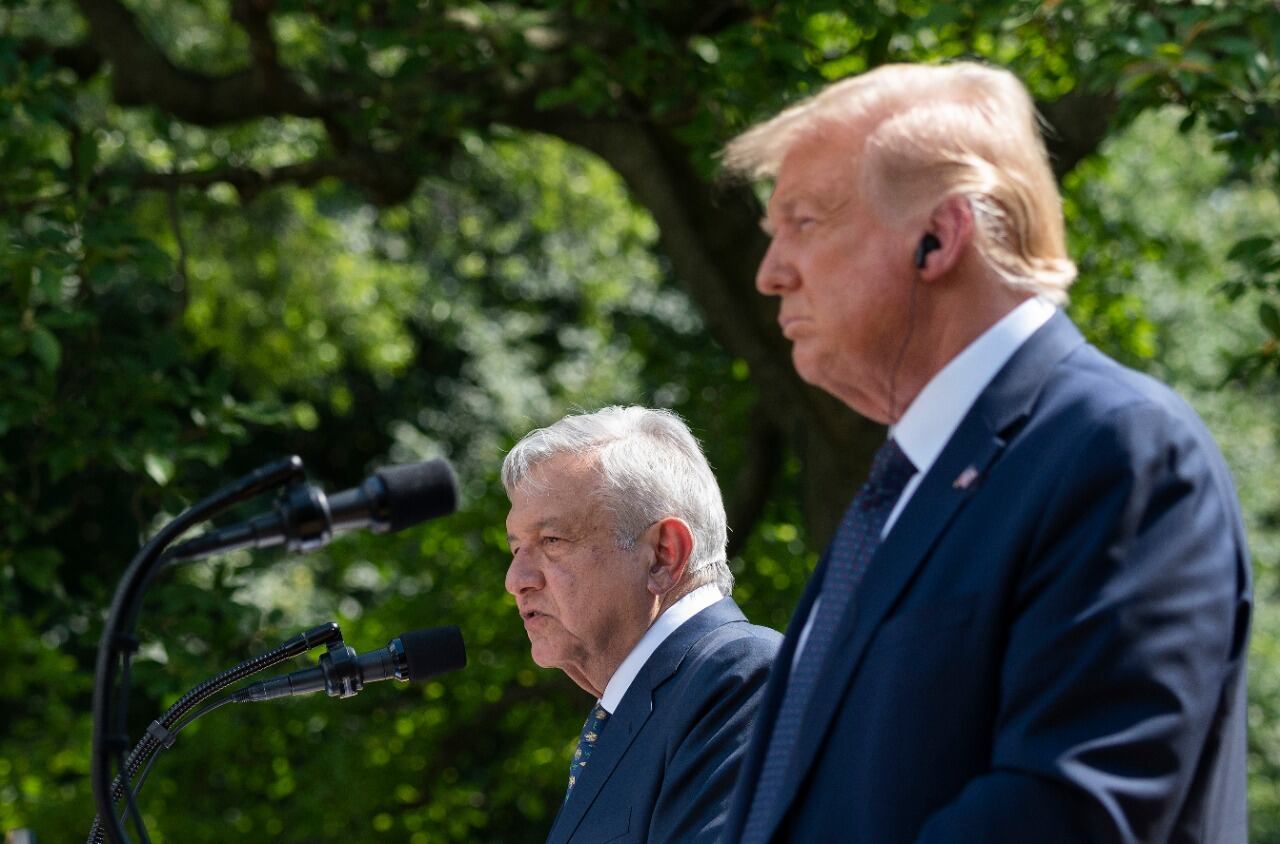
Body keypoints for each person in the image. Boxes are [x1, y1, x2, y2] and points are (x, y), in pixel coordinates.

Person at [717, 62, 1252, 843]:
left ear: (940, 236)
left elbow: (1064, 813)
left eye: (804, 222)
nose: (770, 274)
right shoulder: (903, 487)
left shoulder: (1119, 450)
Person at [503, 406, 782, 844]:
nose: (516, 581)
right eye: (516, 548)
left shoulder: (742, 676)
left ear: (663, 554)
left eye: (552, 541)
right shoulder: (634, 711)